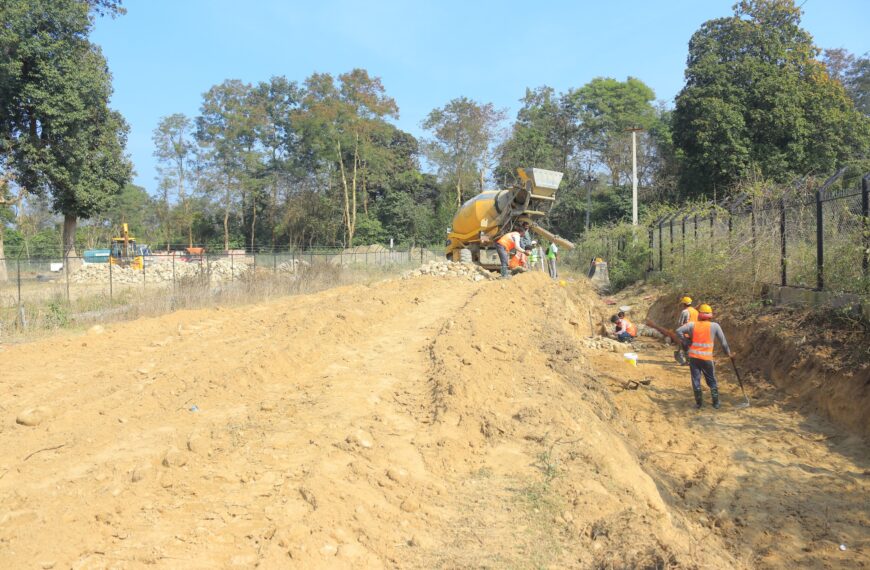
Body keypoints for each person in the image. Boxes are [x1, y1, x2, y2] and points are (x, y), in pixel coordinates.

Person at [675, 303, 732, 410]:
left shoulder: (692, 325)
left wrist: (687, 341)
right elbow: (723, 343)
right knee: (711, 380)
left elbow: (678, 331)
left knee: (696, 380)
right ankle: (715, 403)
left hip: (694, 358)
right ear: (710, 315)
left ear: (699, 315)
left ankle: (699, 403)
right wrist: (728, 353)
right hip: (707, 359)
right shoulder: (715, 326)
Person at [674, 296, 699, 365]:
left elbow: (681, 323)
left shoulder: (684, 311)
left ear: (684, 304)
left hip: (686, 332)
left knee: (685, 346)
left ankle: (688, 361)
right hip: (695, 331)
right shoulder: (696, 311)